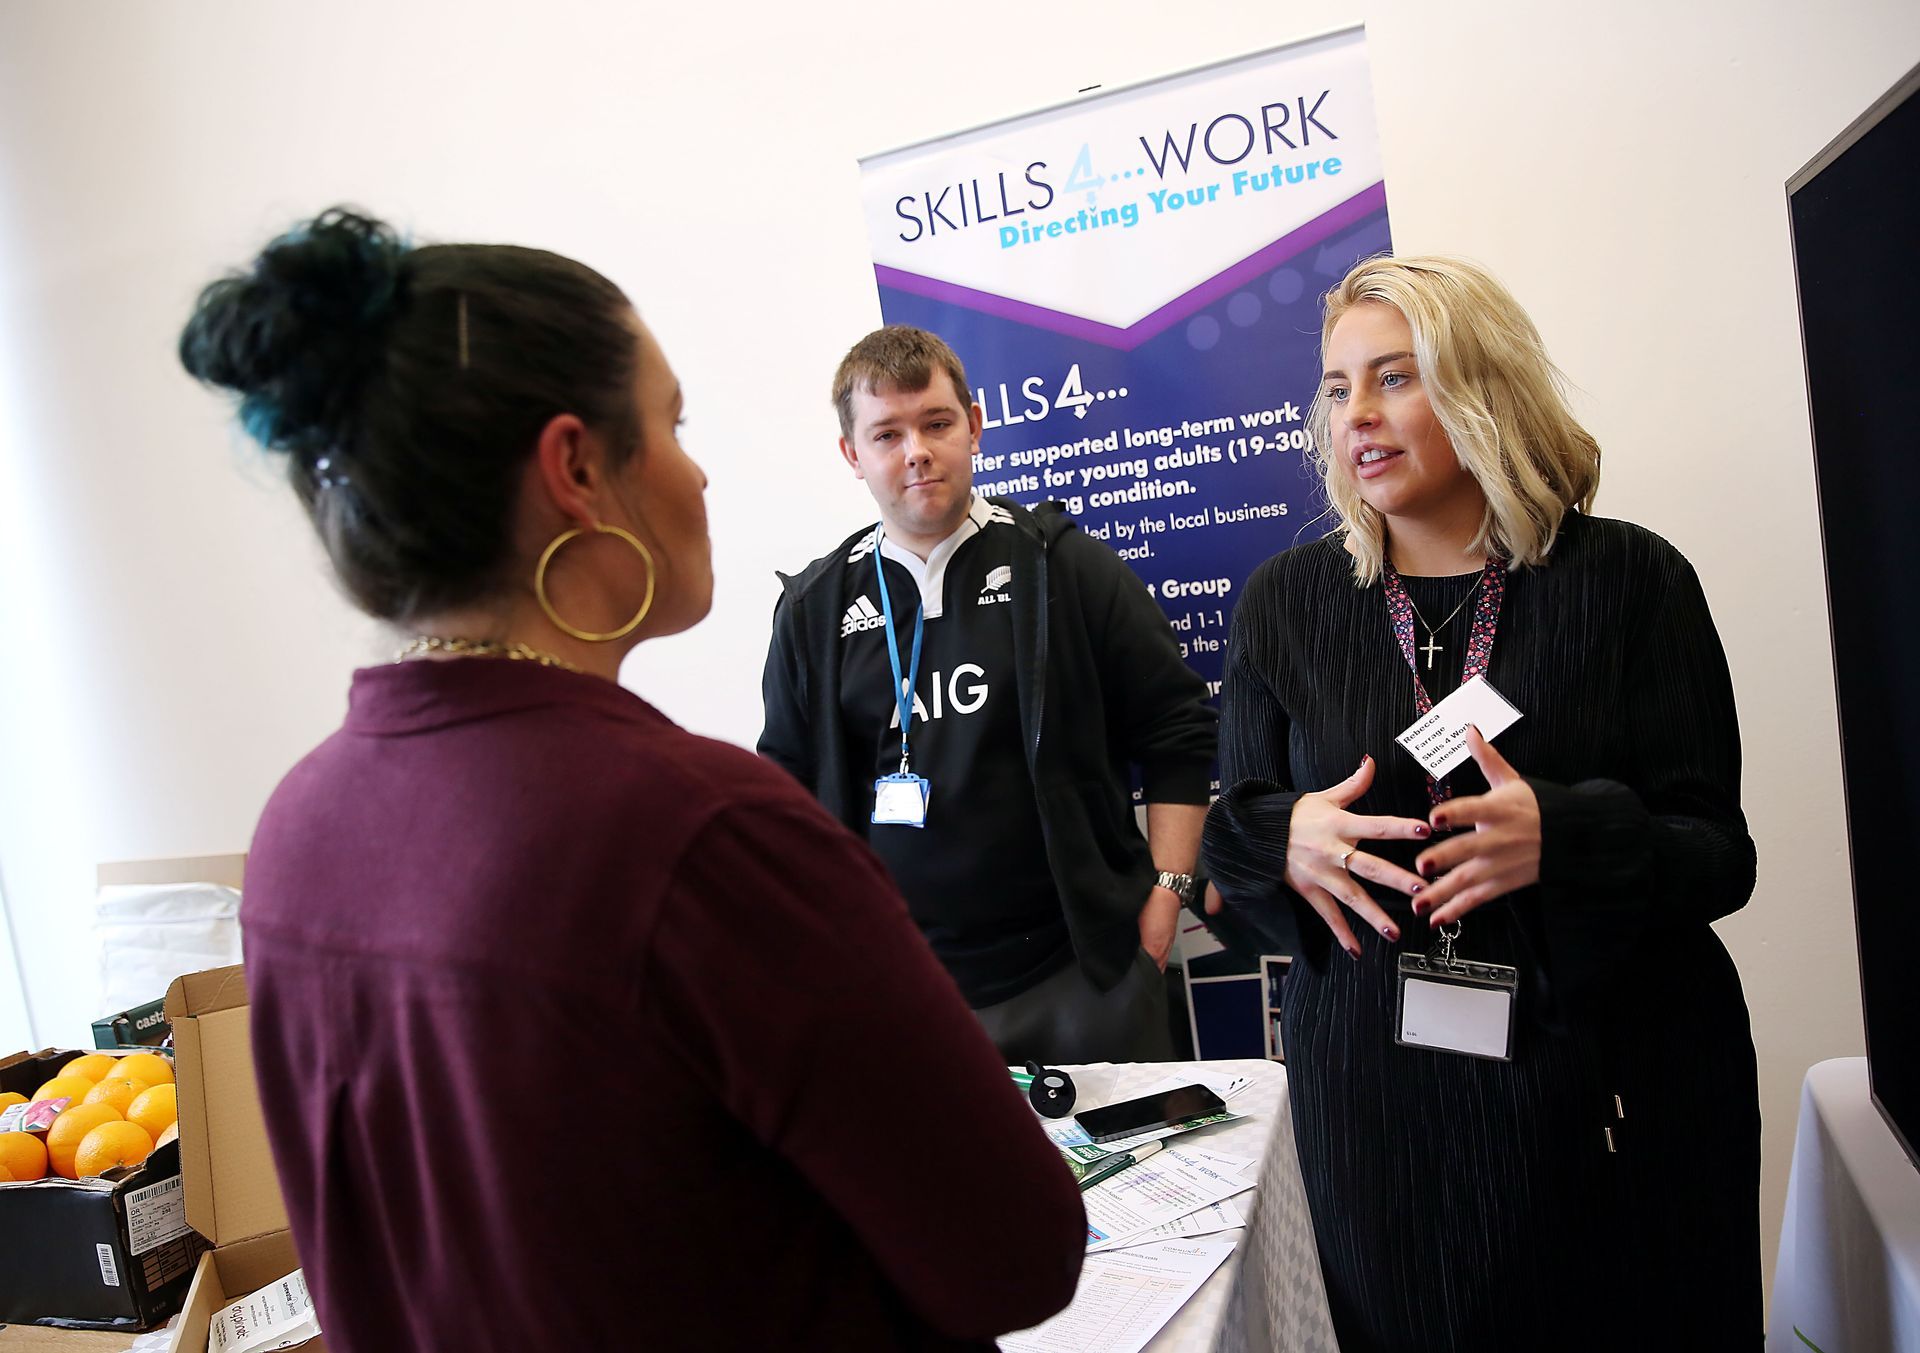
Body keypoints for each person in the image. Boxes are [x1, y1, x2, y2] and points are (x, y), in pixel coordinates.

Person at [179, 210, 1084, 1351]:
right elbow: (1015, 1254)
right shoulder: (702, 836)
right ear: (574, 468)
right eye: (674, 424)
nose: (698, 471)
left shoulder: (298, 831)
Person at [1200, 256, 1761, 1349]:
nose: (1356, 414)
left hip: (1611, 1099)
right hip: (1381, 1111)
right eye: (1336, 387)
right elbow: (1235, 838)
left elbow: (1719, 857)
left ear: (1480, 388)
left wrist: (1569, 835)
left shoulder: (1634, 582)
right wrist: (1287, 839)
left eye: (1396, 377)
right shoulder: (1288, 603)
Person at [758, 326, 1216, 1066]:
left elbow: (1179, 730)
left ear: (973, 424)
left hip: (1083, 974)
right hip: (908, 997)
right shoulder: (815, 608)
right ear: (853, 454)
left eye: (936, 422)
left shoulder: (1060, 565)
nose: (917, 451)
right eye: (887, 433)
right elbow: (785, 796)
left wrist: (1167, 894)